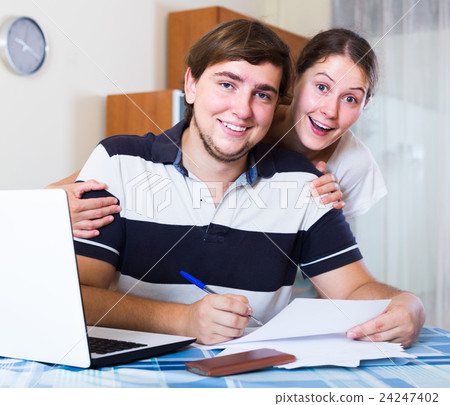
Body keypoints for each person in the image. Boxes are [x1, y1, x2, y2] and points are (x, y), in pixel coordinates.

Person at [72, 19, 424, 347]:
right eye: (227, 84)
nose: (242, 109)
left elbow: (353, 290)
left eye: (263, 95)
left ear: (276, 105)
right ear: (191, 84)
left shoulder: (308, 183)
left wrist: (406, 303)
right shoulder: (119, 161)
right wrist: (184, 320)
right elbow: (76, 295)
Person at [265, 28, 386, 220]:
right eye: (322, 87)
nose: (330, 111)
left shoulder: (355, 166)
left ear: (364, 105)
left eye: (350, 99)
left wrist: (324, 218)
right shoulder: (249, 124)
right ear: (295, 80)